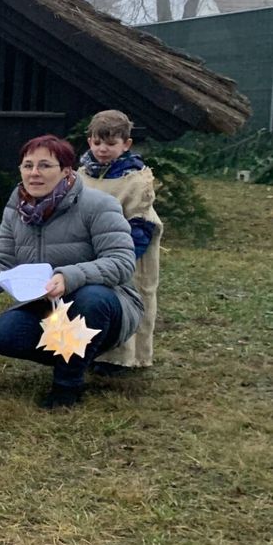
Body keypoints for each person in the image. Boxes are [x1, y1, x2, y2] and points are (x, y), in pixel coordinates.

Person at [0, 135, 142, 409]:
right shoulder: (17, 209)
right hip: (48, 307)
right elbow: (2, 263)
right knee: (4, 335)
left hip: (105, 303)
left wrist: (69, 276)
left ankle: (67, 385)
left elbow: (122, 261)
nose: (34, 173)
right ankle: (76, 354)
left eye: (44, 166)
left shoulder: (98, 205)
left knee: (91, 300)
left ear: (66, 171)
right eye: (28, 166)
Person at [78, 110, 162, 373]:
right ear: (89, 141)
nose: (102, 149)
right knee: (91, 300)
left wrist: (123, 257)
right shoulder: (82, 174)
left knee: (132, 298)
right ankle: (92, 352)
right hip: (91, 251)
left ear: (126, 144)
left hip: (130, 253)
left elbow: (141, 223)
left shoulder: (135, 179)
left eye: (111, 144)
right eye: (97, 142)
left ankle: (127, 358)